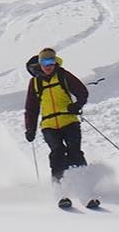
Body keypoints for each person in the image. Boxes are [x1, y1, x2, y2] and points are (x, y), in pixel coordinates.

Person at [24, 47, 89, 183]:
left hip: (69, 121)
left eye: (51, 62)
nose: (48, 66)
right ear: (40, 64)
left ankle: (85, 184)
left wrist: (77, 105)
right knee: (57, 153)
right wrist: (30, 129)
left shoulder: (63, 75)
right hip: (49, 126)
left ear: (55, 62)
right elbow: (31, 108)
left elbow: (82, 92)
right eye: (45, 63)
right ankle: (60, 188)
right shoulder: (35, 83)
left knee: (74, 151)